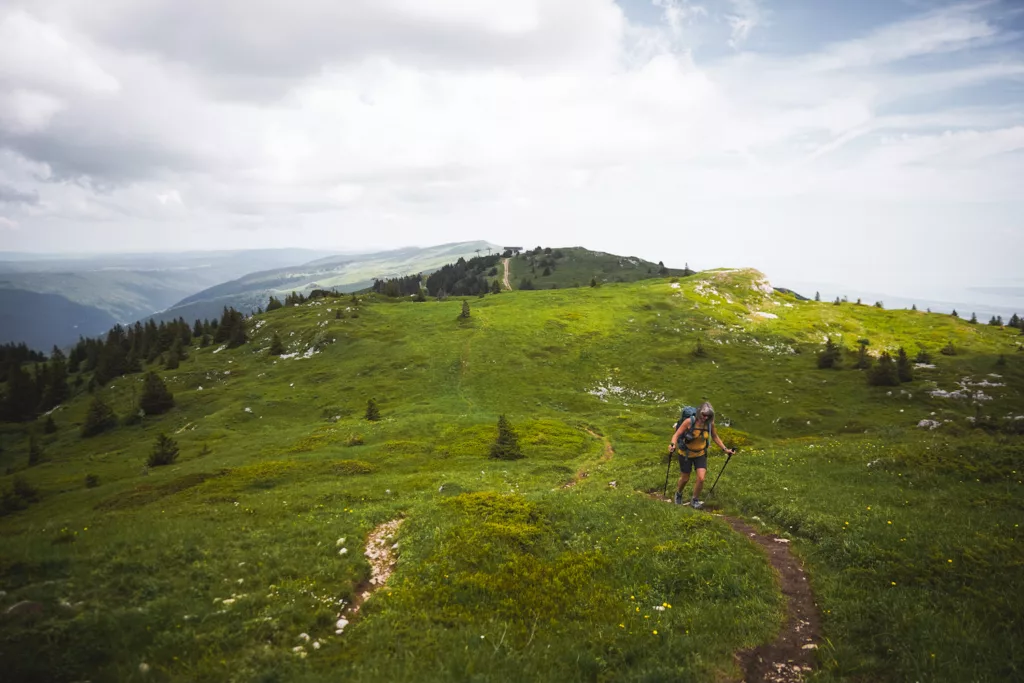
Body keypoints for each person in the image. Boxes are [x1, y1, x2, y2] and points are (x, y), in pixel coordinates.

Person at [668, 402, 735, 508]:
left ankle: (694, 500)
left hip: (700, 454)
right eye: (704, 415)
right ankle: (678, 494)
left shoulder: (709, 424)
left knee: (701, 478)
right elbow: (676, 435)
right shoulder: (689, 421)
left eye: (708, 415)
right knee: (685, 478)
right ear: (699, 413)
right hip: (686, 454)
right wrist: (672, 444)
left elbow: (715, 436)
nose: (705, 417)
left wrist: (725, 449)